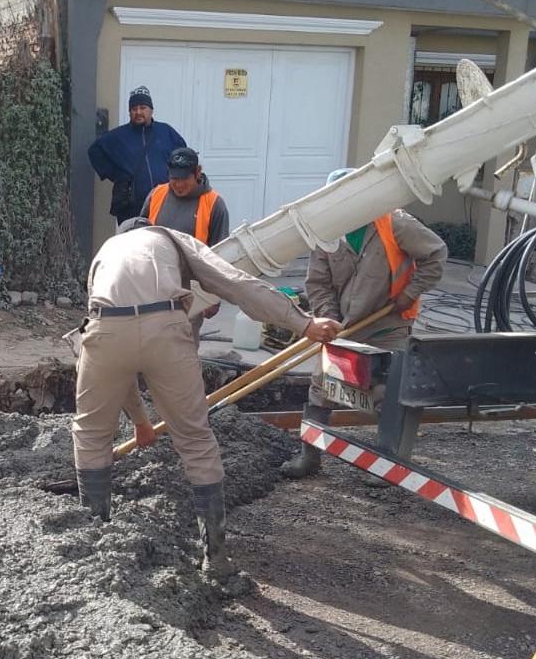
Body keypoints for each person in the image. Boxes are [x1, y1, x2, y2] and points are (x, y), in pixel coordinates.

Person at [72, 219, 341, 576]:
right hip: (165, 328)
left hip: (104, 327)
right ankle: (216, 559)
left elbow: (117, 358)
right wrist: (303, 323)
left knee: (91, 433)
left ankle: (97, 551)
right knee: (196, 440)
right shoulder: (170, 238)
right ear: (152, 228)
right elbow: (235, 283)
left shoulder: (106, 253)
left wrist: (140, 422)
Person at [281, 168, 448, 479]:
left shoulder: (393, 222)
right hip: (345, 325)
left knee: (387, 390)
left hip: (387, 324)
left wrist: (408, 295)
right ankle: (309, 457)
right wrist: (328, 318)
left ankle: (387, 466)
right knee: (321, 384)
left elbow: (436, 253)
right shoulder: (327, 231)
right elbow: (318, 282)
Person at [141, 146, 230, 333]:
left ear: (197, 172)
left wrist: (213, 298)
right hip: (152, 285)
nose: (178, 184)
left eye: (184, 179)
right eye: (174, 178)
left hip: (190, 292)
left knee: (184, 345)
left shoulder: (214, 204)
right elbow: (139, 237)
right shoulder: (156, 195)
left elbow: (220, 256)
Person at [88, 85, 186, 224]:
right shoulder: (119, 136)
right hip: (132, 209)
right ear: (129, 112)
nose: (138, 112)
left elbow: (183, 156)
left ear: (151, 110)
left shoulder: (166, 132)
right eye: (134, 109)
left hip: (164, 205)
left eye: (142, 108)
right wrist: (117, 175)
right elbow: (94, 151)